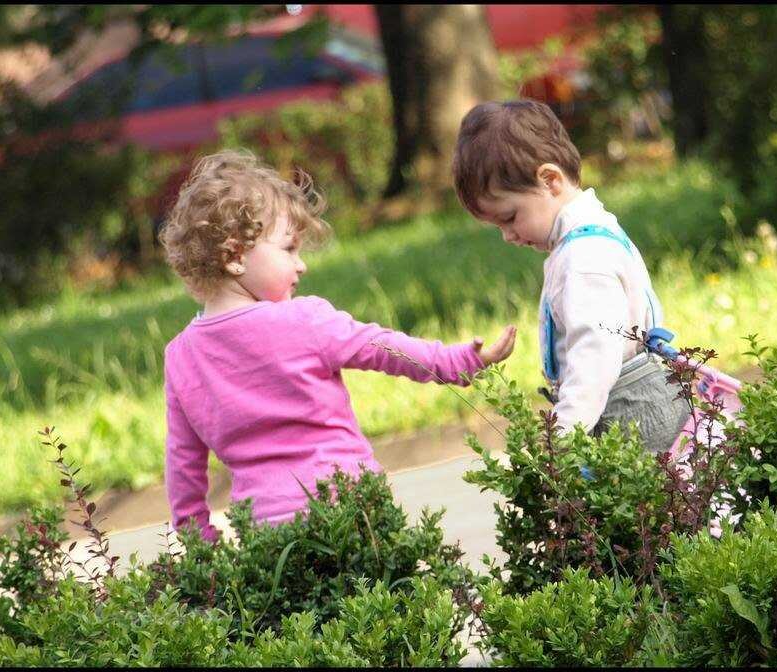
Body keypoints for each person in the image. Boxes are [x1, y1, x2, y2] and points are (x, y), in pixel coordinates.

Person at [158, 149, 517, 541]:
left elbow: (183, 464)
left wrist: (199, 542)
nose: (302, 264)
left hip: (266, 538)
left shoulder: (180, 357)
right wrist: (458, 360)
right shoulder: (304, 320)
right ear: (234, 256)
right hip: (352, 509)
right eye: (289, 248)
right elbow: (383, 348)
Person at [452, 100, 688, 453]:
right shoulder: (593, 232)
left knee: (633, 506)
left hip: (627, 413)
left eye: (510, 217)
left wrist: (564, 434)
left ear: (550, 180)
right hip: (632, 400)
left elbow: (594, 355)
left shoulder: (584, 259)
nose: (508, 236)